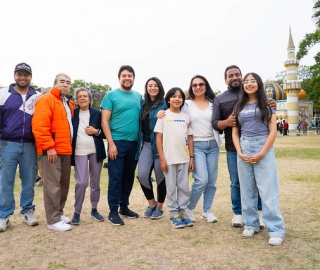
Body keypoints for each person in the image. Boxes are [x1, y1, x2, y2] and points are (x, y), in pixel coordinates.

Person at [212, 65, 274, 228]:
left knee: (259, 181)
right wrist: (226, 122)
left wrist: (270, 103)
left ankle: (259, 213)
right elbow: (214, 123)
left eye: (237, 74)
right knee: (237, 182)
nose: (234, 77)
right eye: (230, 75)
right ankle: (238, 213)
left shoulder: (252, 94)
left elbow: (268, 115)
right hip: (234, 148)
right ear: (225, 79)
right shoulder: (220, 99)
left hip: (257, 144)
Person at [232, 72, 285, 246]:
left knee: (267, 190)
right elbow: (235, 131)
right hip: (244, 146)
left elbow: (273, 130)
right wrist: (239, 151)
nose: (249, 84)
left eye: (252, 81)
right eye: (246, 81)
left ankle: (276, 229)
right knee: (247, 189)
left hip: (263, 146)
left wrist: (262, 152)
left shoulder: (267, 104)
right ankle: (250, 224)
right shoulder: (238, 106)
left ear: (259, 84)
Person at [0, 63, 41, 232]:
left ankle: (28, 211)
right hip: (7, 143)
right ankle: (4, 215)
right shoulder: (2, 94)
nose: (22, 77)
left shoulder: (38, 97)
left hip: (30, 144)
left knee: (29, 180)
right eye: (19, 74)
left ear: (31, 77)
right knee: (5, 181)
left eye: (26, 75)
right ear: (14, 75)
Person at [32, 73, 75, 232]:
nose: (65, 84)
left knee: (63, 184)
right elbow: (39, 125)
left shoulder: (68, 103)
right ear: (55, 83)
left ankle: (59, 213)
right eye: (62, 82)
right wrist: (48, 146)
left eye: (68, 82)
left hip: (66, 149)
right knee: (52, 185)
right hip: (52, 150)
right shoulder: (46, 99)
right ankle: (52, 220)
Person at [101, 65, 142, 226]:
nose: (127, 78)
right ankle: (113, 211)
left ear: (133, 78)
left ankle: (124, 206)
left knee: (128, 176)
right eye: (124, 75)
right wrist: (111, 143)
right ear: (119, 78)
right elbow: (104, 121)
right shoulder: (111, 95)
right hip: (116, 142)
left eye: (130, 76)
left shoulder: (138, 96)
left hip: (134, 143)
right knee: (116, 177)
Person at [183, 76, 222, 223]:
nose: (198, 87)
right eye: (194, 85)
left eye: (201, 84)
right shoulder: (186, 104)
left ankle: (206, 211)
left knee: (211, 181)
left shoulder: (214, 103)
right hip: (196, 145)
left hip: (213, 144)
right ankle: (189, 208)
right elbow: (173, 111)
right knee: (201, 180)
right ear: (191, 87)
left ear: (206, 86)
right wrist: (162, 113)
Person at [154, 87, 194, 229]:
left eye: (180, 96)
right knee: (170, 188)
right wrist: (162, 159)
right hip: (169, 159)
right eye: (174, 96)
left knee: (184, 187)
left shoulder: (186, 117)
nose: (177, 99)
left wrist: (191, 158)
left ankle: (183, 212)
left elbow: (190, 138)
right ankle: (174, 214)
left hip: (184, 158)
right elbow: (158, 139)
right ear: (168, 99)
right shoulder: (163, 116)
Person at [70, 88, 106, 225]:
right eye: (80, 96)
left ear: (90, 99)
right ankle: (77, 212)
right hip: (79, 150)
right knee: (81, 182)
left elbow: (105, 131)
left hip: (96, 151)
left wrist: (96, 132)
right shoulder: (73, 114)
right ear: (76, 100)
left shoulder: (97, 113)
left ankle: (94, 210)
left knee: (95, 182)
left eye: (85, 96)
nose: (83, 98)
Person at [138, 77, 167, 219]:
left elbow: (174, 113)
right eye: (150, 85)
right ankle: (152, 204)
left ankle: (160, 207)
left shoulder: (165, 103)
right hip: (146, 144)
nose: (153, 88)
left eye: (156, 85)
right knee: (142, 175)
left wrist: (165, 114)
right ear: (146, 88)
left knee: (160, 175)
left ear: (160, 88)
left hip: (161, 145)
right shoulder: (143, 104)